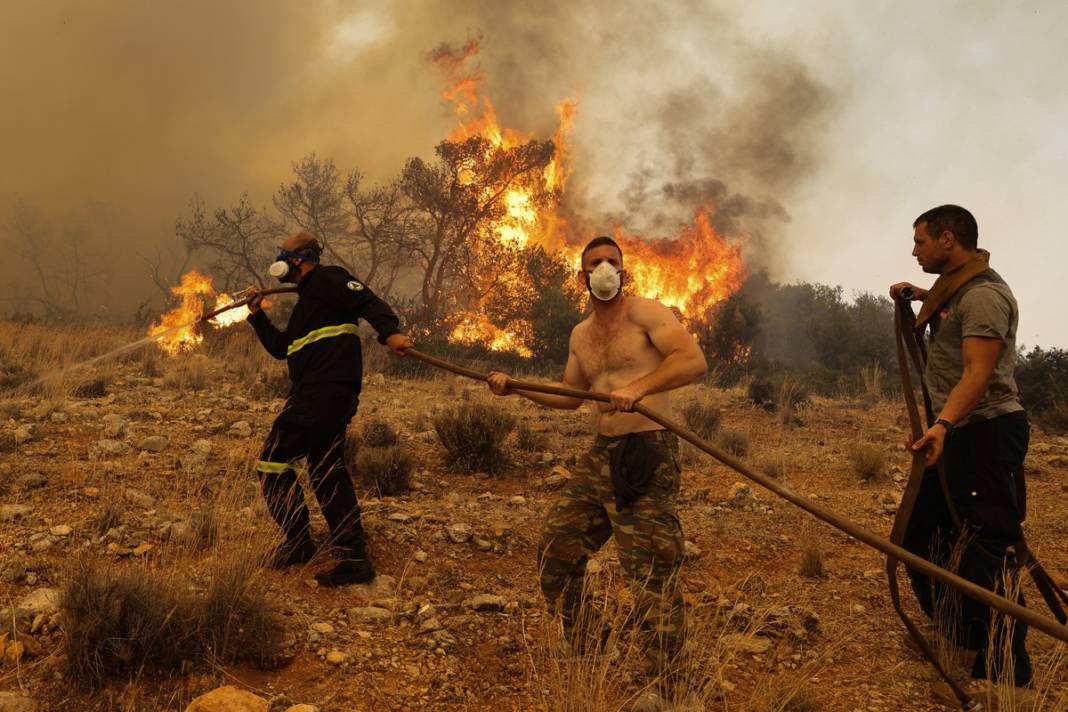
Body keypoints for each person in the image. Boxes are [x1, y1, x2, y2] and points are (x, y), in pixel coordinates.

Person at [487, 236, 707, 690]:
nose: (604, 268)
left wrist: (640, 388)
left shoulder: (645, 312)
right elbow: (569, 397)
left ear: (623, 272)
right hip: (600, 457)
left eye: (612, 261)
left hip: (647, 451)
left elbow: (692, 361)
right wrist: (516, 386)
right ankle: (590, 647)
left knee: (649, 571)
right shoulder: (580, 334)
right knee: (556, 550)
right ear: (582, 275)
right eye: (595, 262)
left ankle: (671, 687)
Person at [890, 204, 1033, 691]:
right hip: (954, 433)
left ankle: (1006, 671)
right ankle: (962, 632)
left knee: (984, 548)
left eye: (921, 242)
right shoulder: (959, 290)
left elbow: (980, 372)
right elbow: (953, 309)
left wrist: (944, 423)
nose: (914, 250)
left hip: (984, 434)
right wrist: (920, 295)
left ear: (948, 240)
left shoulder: (986, 297)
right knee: (919, 537)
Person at [246, 230, 412, 587]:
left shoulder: (329, 278)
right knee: (324, 466)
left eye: (284, 253)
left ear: (300, 258)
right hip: (321, 392)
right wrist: (257, 316)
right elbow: (282, 349)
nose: (279, 259)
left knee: (272, 460)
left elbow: (367, 299)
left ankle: (299, 541)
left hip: (324, 391)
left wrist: (390, 332)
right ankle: (353, 556)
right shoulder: (308, 304)